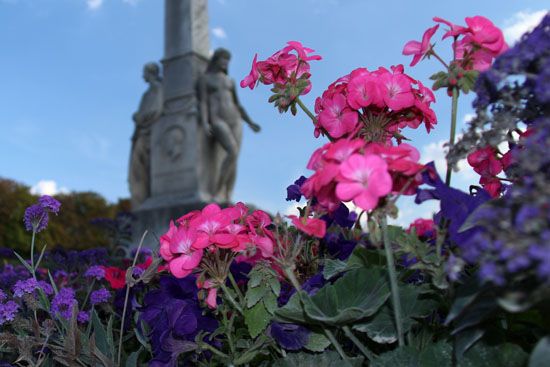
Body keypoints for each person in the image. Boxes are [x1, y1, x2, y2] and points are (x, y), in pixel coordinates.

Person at [197, 48, 261, 202]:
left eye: (227, 60)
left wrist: (250, 122)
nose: (225, 63)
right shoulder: (205, 79)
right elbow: (204, 102)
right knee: (232, 151)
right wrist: (205, 122)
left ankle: (227, 195)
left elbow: (238, 105)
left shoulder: (229, 81)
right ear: (216, 60)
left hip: (235, 119)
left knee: (234, 159)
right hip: (217, 119)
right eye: (223, 59)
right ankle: (217, 192)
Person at [128, 62, 163, 208]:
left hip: (147, 134)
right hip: (142, 133)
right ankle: (140, 201)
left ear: (151, 73)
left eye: (144, 72)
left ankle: (142, 200)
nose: (143, 76)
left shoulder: (156, 89)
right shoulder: (149, 91)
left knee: (139, 171)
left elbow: (155, 111)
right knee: (138, 171)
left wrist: (138, 117)